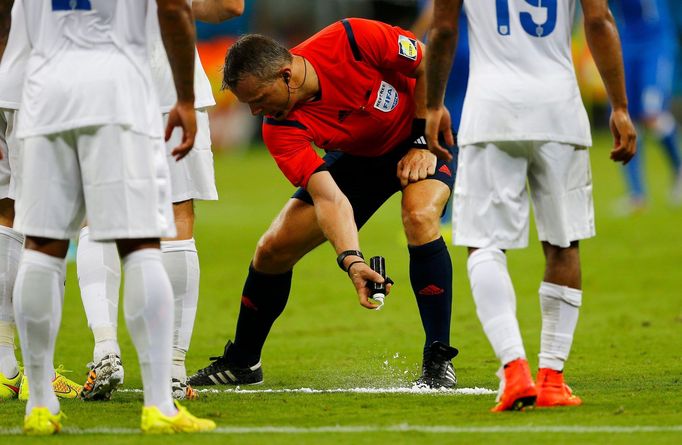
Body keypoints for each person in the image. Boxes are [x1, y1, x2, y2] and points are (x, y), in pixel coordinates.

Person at [188, 18, 459, 389]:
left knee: (419, 215)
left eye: (259, 99)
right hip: (358, 158)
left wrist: (420, 140)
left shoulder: (352, 38)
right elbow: (329, 197)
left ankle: (438, 358)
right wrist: (353, 260)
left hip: (422, 134)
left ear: (287, 76)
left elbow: (429, 60)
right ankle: (242, 362)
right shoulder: (279, 127)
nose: (255, 112)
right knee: (271, 249)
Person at [13, 0, 214, 434]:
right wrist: (183, 95)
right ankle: (160, 402)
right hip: (119, 92)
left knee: (41, 246)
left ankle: (40, 405)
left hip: (44, 91)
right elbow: (175, 7)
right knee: (141, 245)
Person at [425, 0, 636, 411]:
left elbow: (444, 30)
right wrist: (620, 107)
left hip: (492, 111)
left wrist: (433, 106)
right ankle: (552, 379)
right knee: (564, 243)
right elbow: (598, 19)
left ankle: (514, 368)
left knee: (484, 244)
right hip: (560, 110)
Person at [76, 0, 244, 403]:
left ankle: (104, 350)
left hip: (90, 83)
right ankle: (171, 369)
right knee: (176, 218)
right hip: (168, 82)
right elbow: (228, 6)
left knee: (93, 217)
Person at [0, 0, 82, 402]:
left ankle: (2, 367)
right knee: (47, 225)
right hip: (43, 93)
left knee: (5, 214)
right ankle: (40, 371)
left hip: (9, 81)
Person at [610, 0, 682, 210]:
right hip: (625, 46)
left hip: (655, 45)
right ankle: (637, 195)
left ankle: (678, 168)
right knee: (626, 120)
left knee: (652, 115)